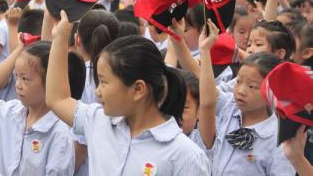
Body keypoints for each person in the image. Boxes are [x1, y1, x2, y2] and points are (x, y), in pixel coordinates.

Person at [46, 10, 211, 175]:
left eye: (104, 82)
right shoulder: (98, 122)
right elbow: (57, 99)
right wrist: (60, 38)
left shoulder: (185, 156)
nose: (98, 91)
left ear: (138, 89)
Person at [196, 45, 295, 175]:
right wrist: (204, 50)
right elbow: (207, 96)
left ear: (274, 91)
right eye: (238, 81)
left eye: (252, 86)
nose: (241, 91)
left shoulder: (278, 140)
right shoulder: (230, 106)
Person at [0, 41, 76, 175]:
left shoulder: (59, 132)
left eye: (25, 79)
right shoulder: (10, 111)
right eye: (17, 76)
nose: (18, 85)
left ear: (50, 82)